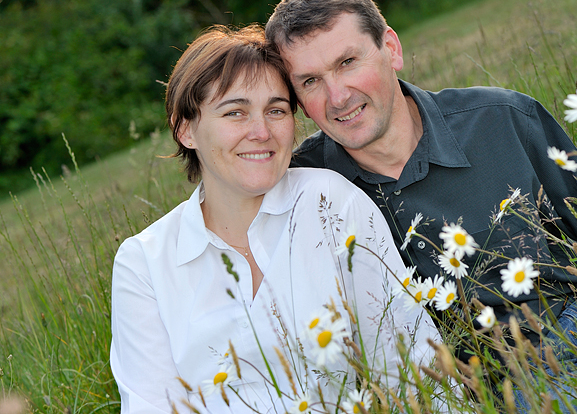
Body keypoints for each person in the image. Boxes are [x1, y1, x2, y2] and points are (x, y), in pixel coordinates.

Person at [265, 0, 577, 406]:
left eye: (348, 61)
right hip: (514, 381)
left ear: (391, 48)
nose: (337, 96)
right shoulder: (304, 190)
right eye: (310, 81)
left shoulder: (500, 118)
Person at [109, 25, 440, 414]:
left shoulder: (331, 204)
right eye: (235, 112)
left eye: (276, 110)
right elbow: (151, 406)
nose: (261, 132)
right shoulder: (144, 264)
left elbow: (411, 360)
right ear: (186, 131)